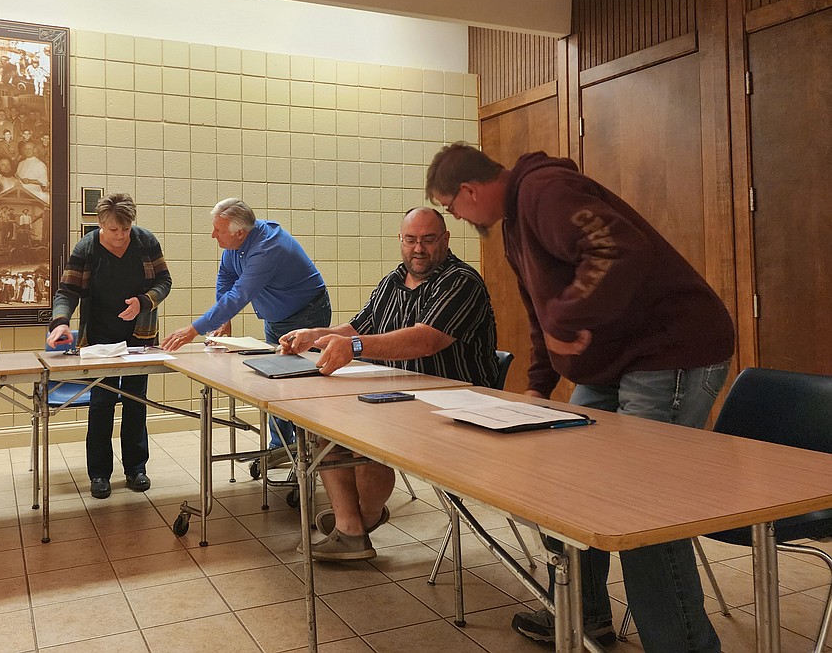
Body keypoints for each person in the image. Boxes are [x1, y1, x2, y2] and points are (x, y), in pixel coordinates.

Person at [425, 142, 734, 653]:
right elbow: (541, 315)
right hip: (617, 363)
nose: (455, 217)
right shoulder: (515, 227)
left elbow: (616, 250)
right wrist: (537, 387)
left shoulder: (545, 190)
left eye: (449, 207)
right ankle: (583, 616)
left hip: (670, 351)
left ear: (469, 191)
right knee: (567, 481)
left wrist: (569, 317)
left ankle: (683, 645)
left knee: (641, 508)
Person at [280, 207, 498, 560]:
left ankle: (361, 520)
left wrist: (354, 346)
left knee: (368, 439)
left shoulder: (461, 282)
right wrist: (315, 335)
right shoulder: (392, 281)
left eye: (428, 240)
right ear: (400, 241)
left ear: (445, 240)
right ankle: (350, 530)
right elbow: (356, 329)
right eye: (411, 240)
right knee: (322, 426)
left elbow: (425, 340)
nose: (419, 249)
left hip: (453, 404)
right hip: (397, 395)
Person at [161, 198, 330, 451]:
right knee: (275, 382)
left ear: (239, 232)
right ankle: (279, 448)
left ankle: (309, 452)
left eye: (218, 230)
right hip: (276, 318)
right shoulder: (235, 244)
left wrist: (193, 330)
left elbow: (239, 294)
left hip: (306, 316)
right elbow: (226, 279)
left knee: (299, 386)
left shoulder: (267, 248)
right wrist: (225, 320)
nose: (212, 235)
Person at [47, 193, 172, 499]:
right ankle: (99, 474)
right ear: (100, 224)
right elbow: (67, 291)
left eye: (126, 229)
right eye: (113, 229)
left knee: (135, 402)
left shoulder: (146, 242)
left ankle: (136, 469)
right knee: (101, 405)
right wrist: (60, 322)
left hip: (140, 336)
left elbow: (164, 281)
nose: (120, 235)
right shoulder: (87, 248)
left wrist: (144, 301)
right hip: (99, 339)